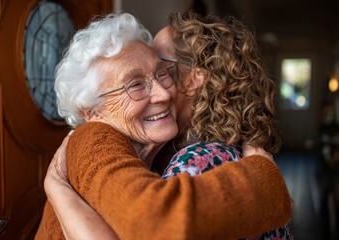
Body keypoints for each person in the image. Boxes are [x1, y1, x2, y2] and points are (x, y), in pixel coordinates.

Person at [35, 12, 292, 240]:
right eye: (134, 85)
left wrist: (56, 188)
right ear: (92, 111)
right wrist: (262, 176)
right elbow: (154, 221)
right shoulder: (94, 138)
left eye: (163, 73)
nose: (164, 94)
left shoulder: (164, 149)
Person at [153, 11, 292, 239]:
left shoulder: (196, 163)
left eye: (160, 66)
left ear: (193, 80)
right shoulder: (230, 152)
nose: (151, 76)